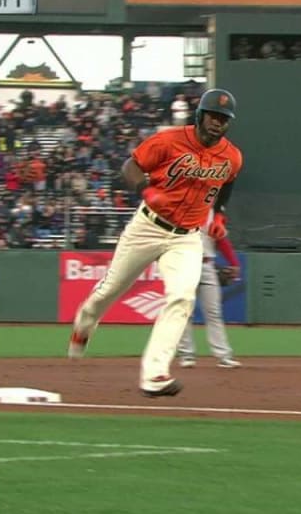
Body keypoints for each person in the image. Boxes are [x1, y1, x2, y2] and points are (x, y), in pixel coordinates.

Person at [68, 88, 244, 398]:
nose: (217, 123)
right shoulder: (169, 140)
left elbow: (227, 183)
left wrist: (220, 217)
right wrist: (145, 190)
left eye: (223, 119)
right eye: (213, 116)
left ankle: (155, 373)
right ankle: (84, 325)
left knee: (182, 298)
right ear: (200, 116)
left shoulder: (231, 156)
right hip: (148, 226)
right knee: (109, 290)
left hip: (187, 237)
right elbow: (130, 167)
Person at [176, 209, 243, 369]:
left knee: (213, 312)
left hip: (207, 265)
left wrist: (234, 262)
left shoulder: (211, 213)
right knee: (184, 311)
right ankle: (186, 354)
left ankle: (224, 355)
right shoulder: (178, 210)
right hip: (184, 264)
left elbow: (221, 239)